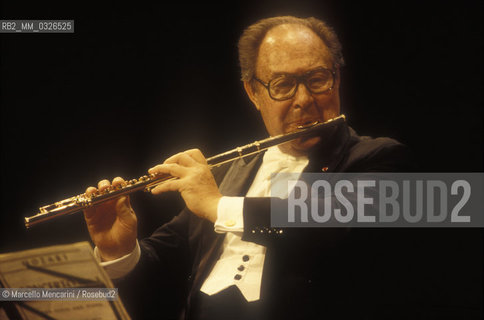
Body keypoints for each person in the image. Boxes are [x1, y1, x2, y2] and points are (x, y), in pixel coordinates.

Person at [83, 16, 410, 319]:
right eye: (282, 85)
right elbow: (163, 266)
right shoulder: (227, 173)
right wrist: (120, 250)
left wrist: (217, 205)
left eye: (317, 79)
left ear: (336, 80)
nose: (303, 100)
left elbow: (329, 223)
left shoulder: (377, 157)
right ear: (253, 92)